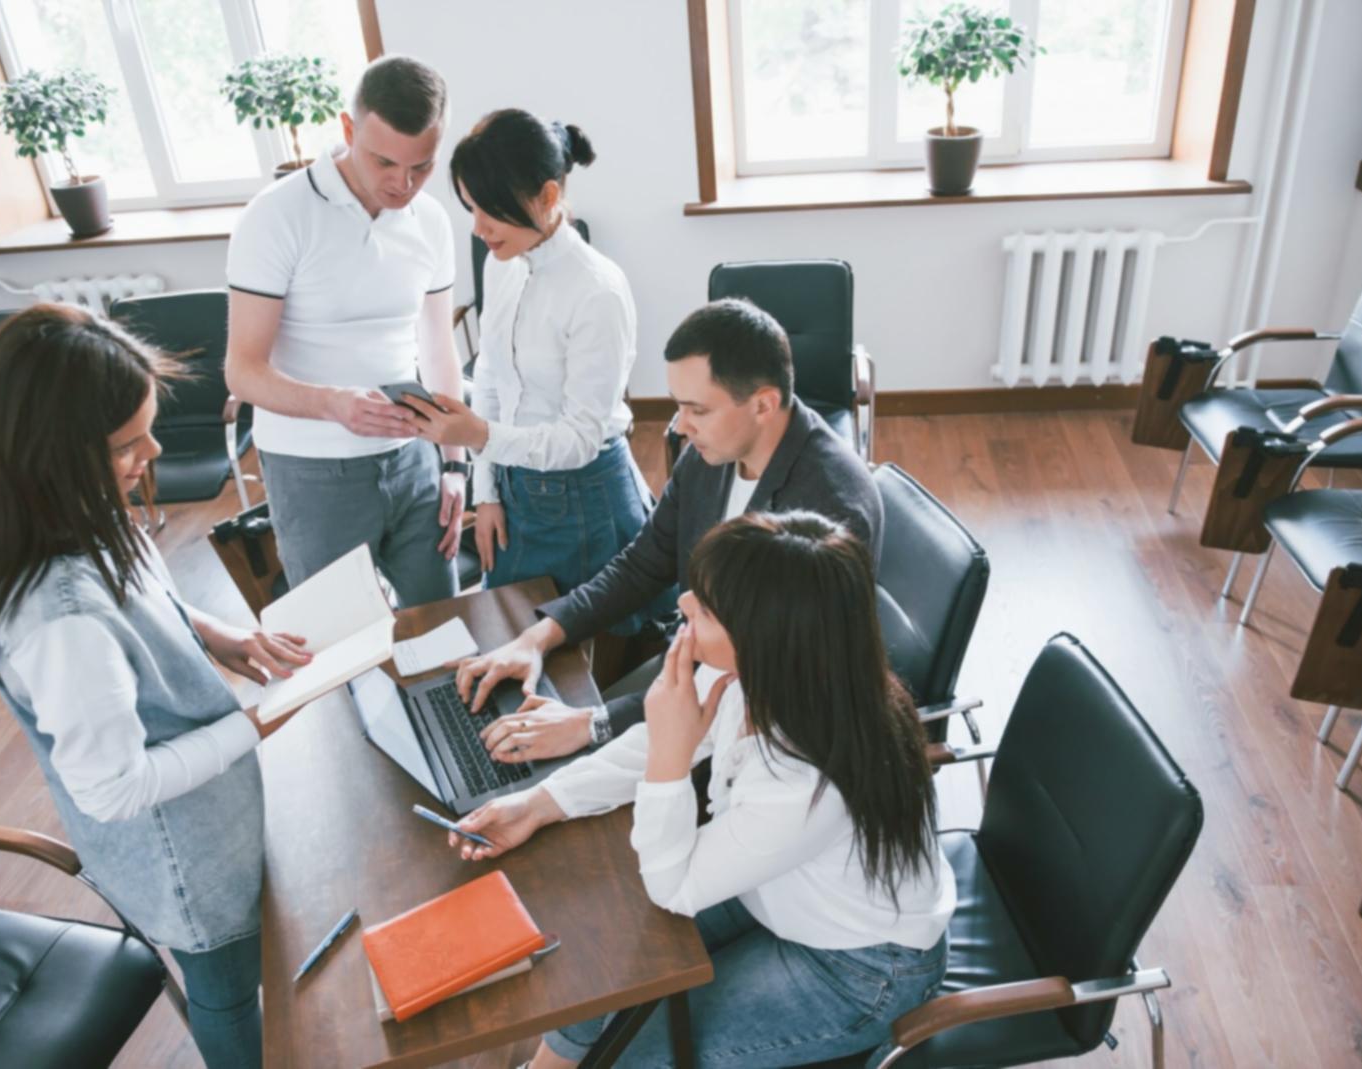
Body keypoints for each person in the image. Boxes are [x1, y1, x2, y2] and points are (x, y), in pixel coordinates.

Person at [448, 511, 952, 1067]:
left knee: (639, 1053)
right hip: (778, 892)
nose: (683, 605)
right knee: (606, 961)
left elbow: (675, 885)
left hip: (859, 967)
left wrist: (670, 753)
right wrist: (539, 804)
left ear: (764, 638)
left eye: (705, 608)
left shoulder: (805, 779)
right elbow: (655, 742)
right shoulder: (773, 675)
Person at [0, 304, 314, 1069]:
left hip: (209, 807)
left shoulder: (73, 511)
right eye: (127, 442)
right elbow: (112, 790)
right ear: (52, 451)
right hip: (178, 850)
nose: (152, 451)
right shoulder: (59, 621)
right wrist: (252, 725)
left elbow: (145, 592)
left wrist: (221, 634)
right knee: (224, 987)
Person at [456, 298, 882, 761]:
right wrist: (538, 637)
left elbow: (761, 679)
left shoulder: (832, 507)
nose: (681, 425)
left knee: (554, 770)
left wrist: (594, 725)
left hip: (764, 729)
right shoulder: (711, 454)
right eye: (679, 406)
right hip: (690, 669)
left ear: (763, 404)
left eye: (697, 409)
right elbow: (645, 561)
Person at [400, 108, 668, 634]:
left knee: (594, 661)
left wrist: (480, 437)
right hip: (517, 490)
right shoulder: (502, 266)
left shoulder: (598, 291)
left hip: (585, 498)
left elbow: (581, 440)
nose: (477, 230)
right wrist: (489, 493)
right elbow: (495, 383)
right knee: (513, 642)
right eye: (471, 209)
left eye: (490, 212)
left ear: (548, 198)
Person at [225, 54, 465, 606]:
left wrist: (453, 464)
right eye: (385, 162)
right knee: (342, 642)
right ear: (348, 129)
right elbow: (242, 371)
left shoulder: (430, 221)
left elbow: (437, 348)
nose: (403, 184)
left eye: (422, 166)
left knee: (438, 627)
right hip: (311, 470)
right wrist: (333, 404)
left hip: (415, 459)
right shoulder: (276, 217)